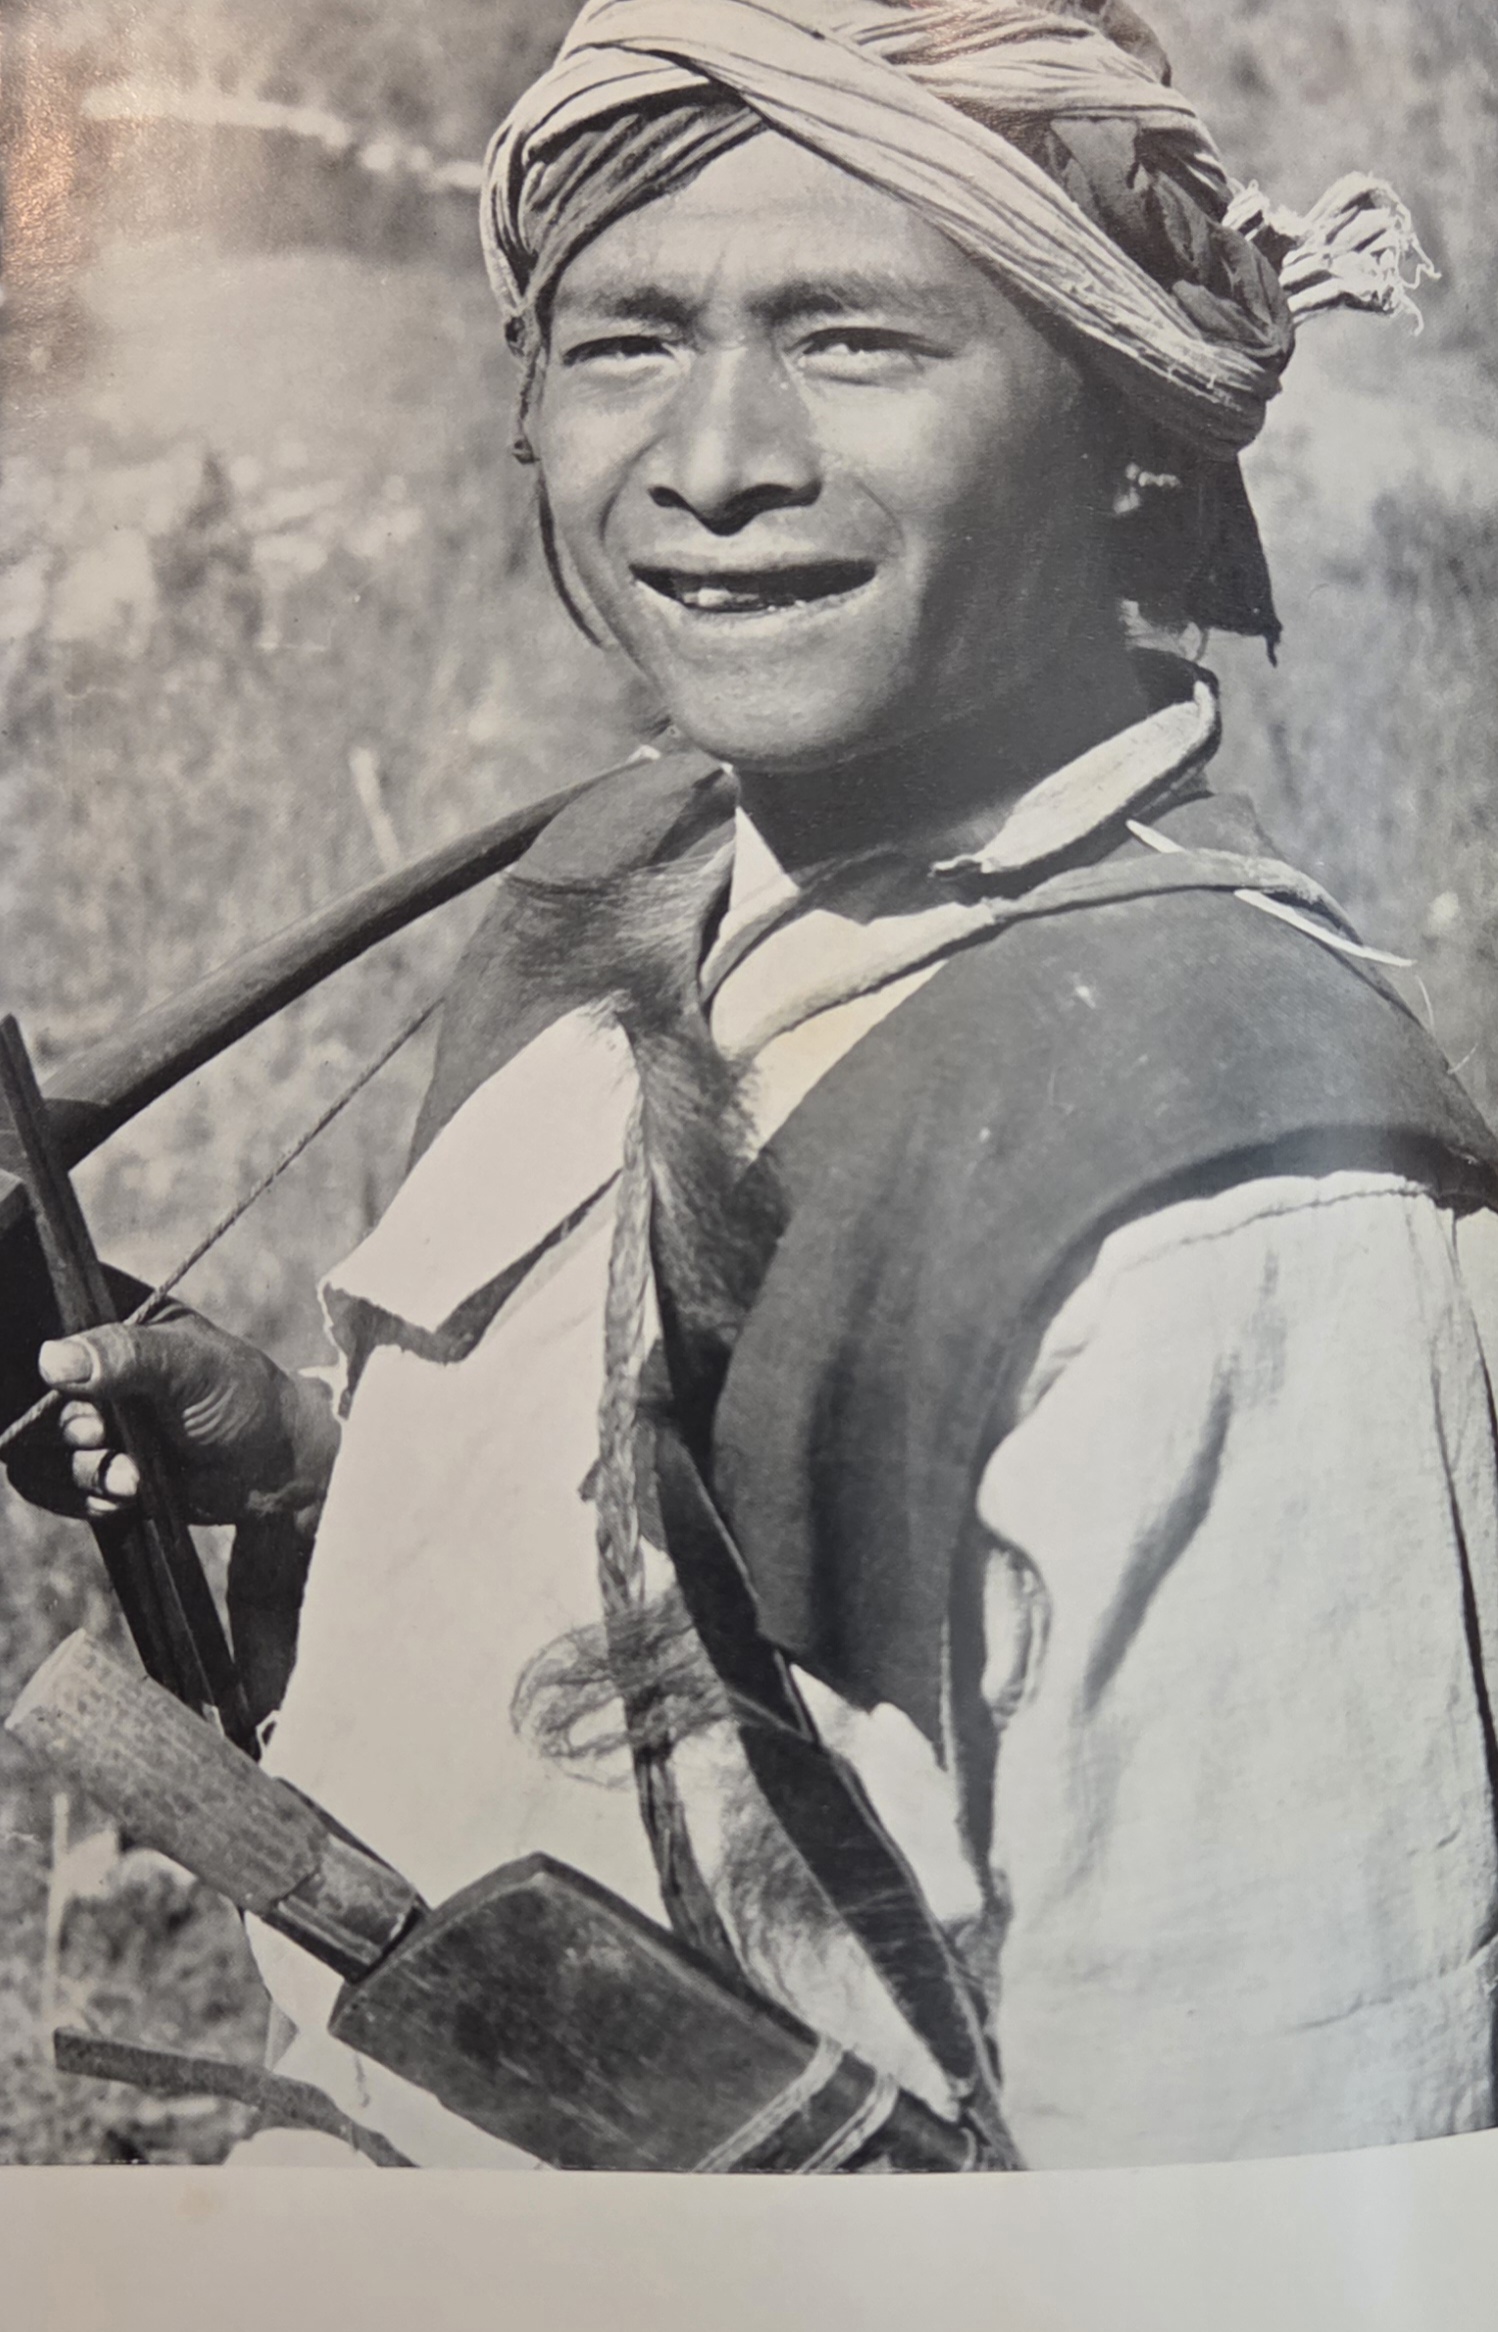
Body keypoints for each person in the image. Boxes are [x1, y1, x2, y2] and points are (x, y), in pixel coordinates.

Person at [20, 0, 1498, 2171]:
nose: (712, 460)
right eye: (624, 339)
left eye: (851, 339)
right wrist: (323, 1467)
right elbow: (731, 1605)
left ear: (1122, 428)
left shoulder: (1228, 1217)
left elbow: (1265, 2199)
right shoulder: (638, 864)